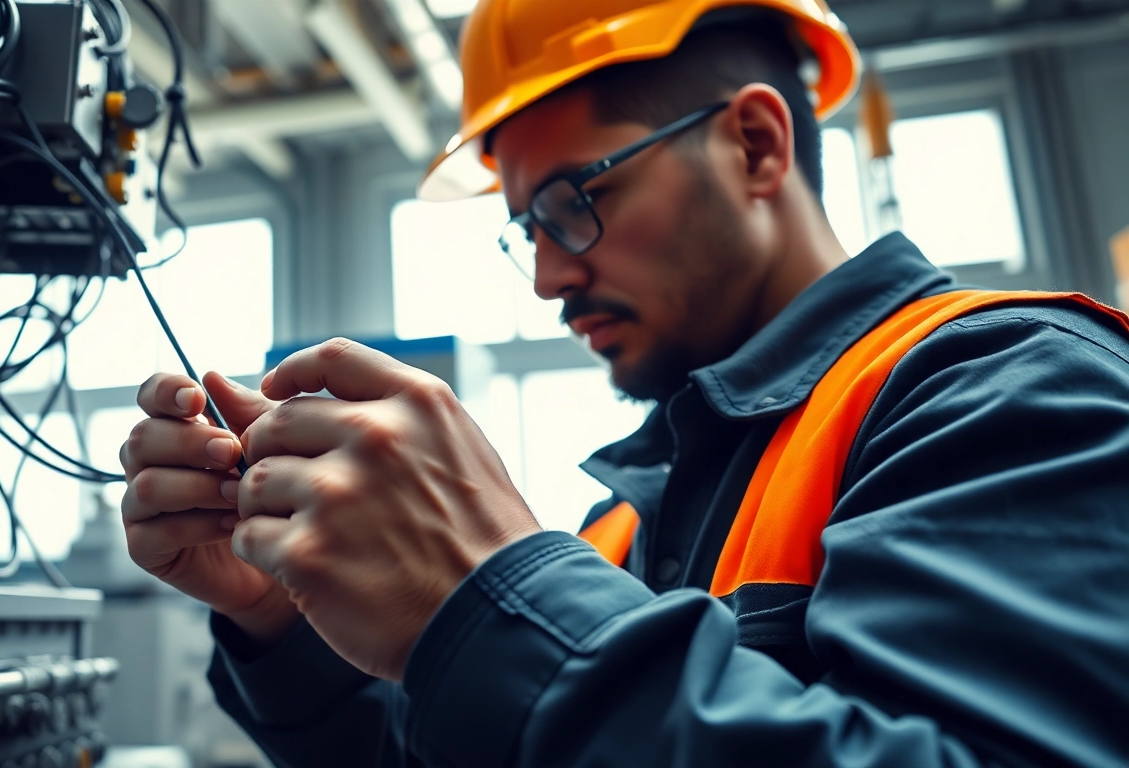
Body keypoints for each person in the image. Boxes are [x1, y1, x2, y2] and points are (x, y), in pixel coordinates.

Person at [116, 0, 1129, 765]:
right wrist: (282, 620)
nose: (549, 277)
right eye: (529, 229)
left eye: (574, 201)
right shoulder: (624, 526)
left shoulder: (1008, 391)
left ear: (755, 144)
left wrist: (497, 599)